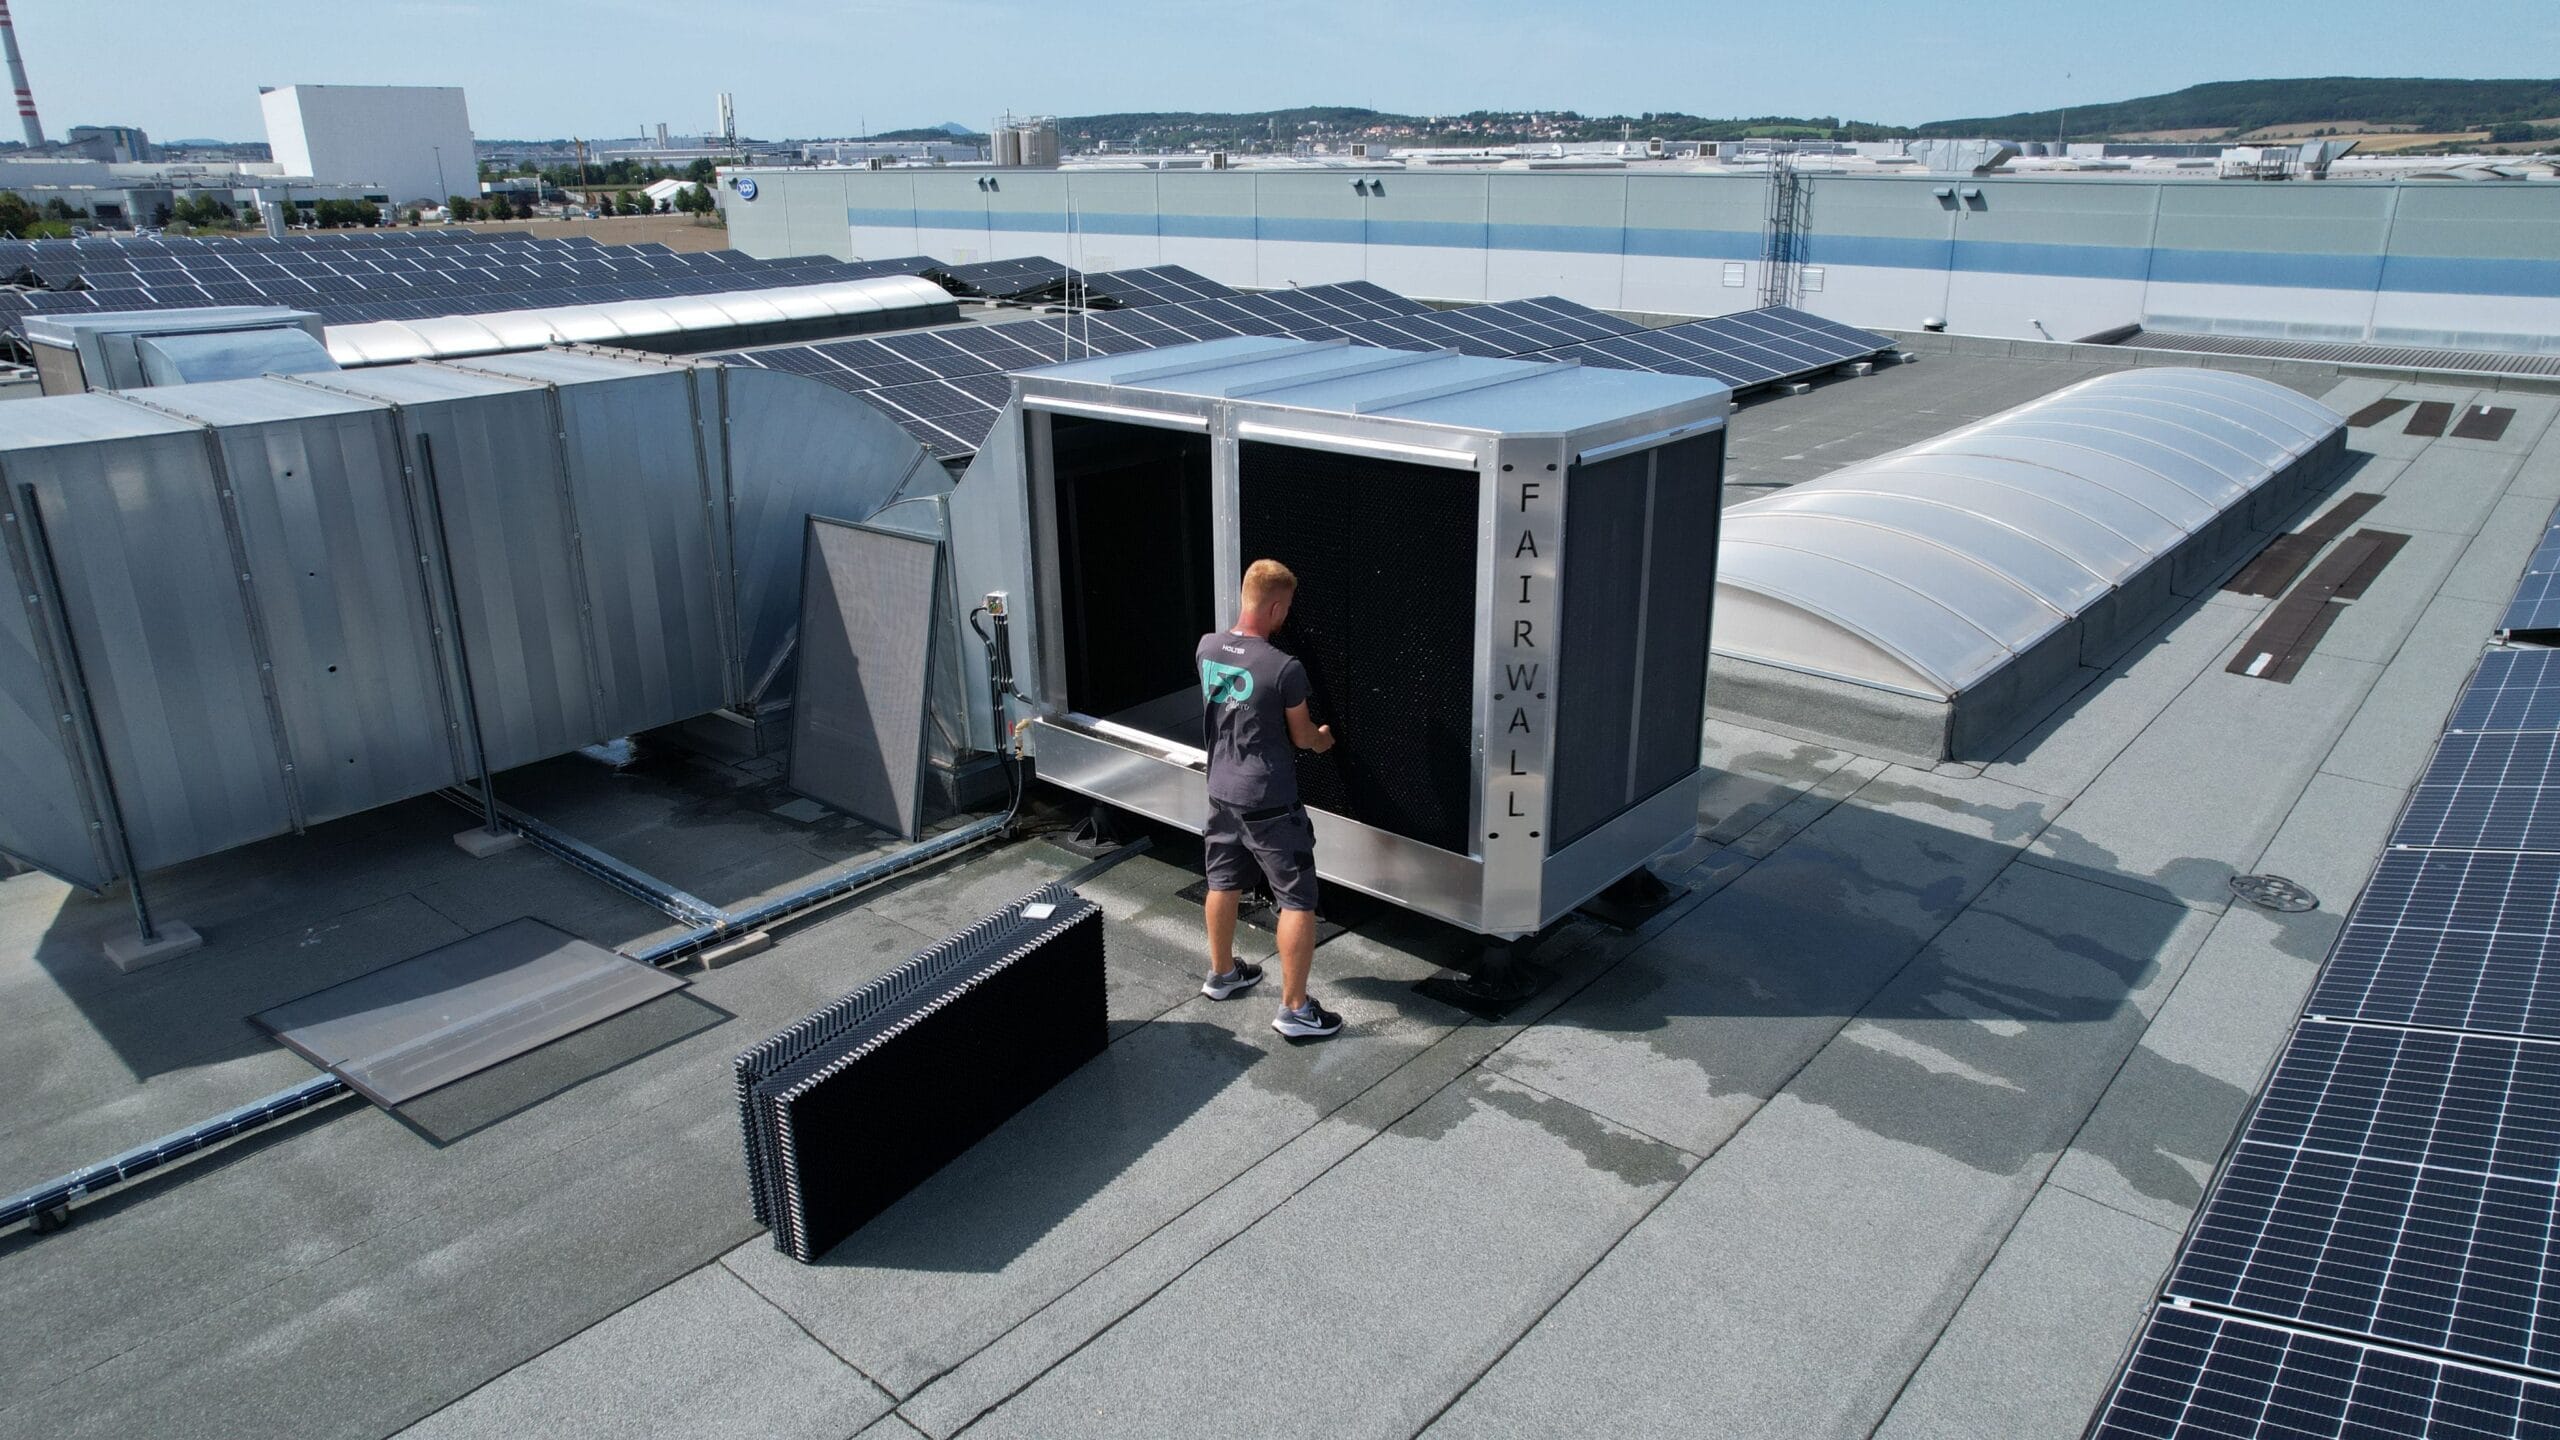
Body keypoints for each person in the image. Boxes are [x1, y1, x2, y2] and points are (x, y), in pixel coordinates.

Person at [1197, 559, 1341, 1039]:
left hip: (1220, 791)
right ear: (1276, 607)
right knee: (1297, 900)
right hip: (1268, 801)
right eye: (1287, 608)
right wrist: (1323, 738)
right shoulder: (1283, 668)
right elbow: (1302, 736)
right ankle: (1295, 1010)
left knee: (1222, 882)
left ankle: (1222, 974)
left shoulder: (1207, 648)